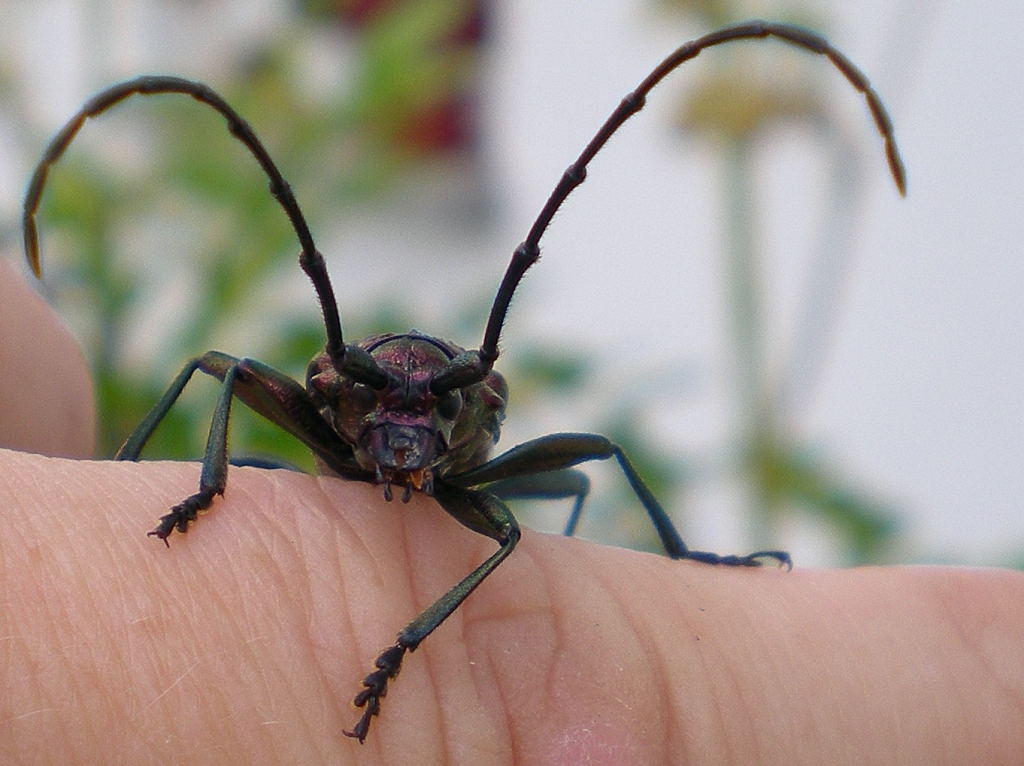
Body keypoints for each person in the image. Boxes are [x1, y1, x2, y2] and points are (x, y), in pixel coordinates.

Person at [3, 260, 1022, 764]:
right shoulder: (337, 400)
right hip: (306, 466)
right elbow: (223, 373)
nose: (402, 440)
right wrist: (170, 495)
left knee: (573, 478)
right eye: (381, 416)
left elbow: (533, 514)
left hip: (469, 518)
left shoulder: (467, 453)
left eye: (431, 419)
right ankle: (187, 486)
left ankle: (430, 636)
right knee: (221, 367)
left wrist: (401, 646)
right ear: (346, 400)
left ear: (463, 415)